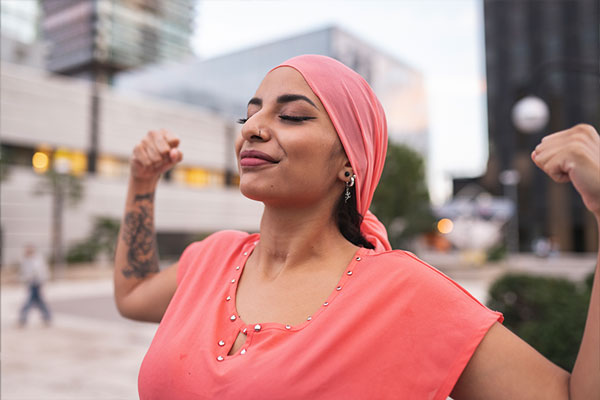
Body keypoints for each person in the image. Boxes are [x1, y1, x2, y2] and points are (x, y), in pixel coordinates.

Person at [114, 55, 599, 399]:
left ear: (349, 161)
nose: (254, 127)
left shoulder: (403, 293)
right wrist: (142, 183)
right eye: (251, 111)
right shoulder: (213, 257)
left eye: (291, 115)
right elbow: (133, 294)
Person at [19, 244, 52, 326]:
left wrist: (43, 281)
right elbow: (24, 273)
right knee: (39, 302)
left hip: (37, 283)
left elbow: (42, 271)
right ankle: (47, 317)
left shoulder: (38, 259)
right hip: (31, 283)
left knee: (30, 302)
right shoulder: (25, 260)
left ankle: (23, 319)